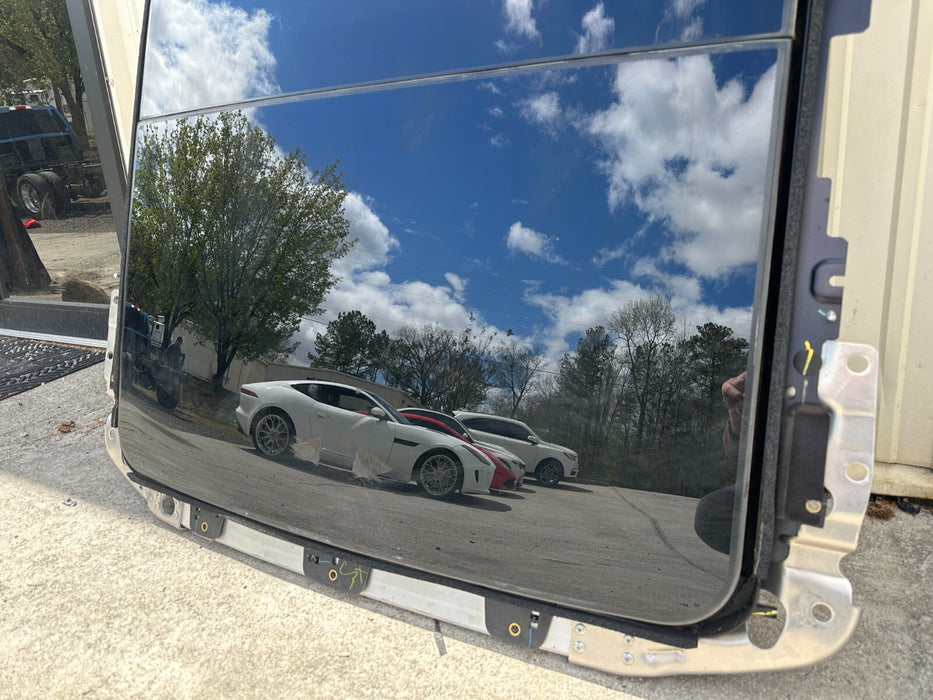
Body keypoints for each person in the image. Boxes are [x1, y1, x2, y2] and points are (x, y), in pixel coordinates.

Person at [694, 370, 747, 554]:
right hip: (783, 485)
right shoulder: (777, 370)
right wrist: (736, 410)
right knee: (710, 513)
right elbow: (736, 454)